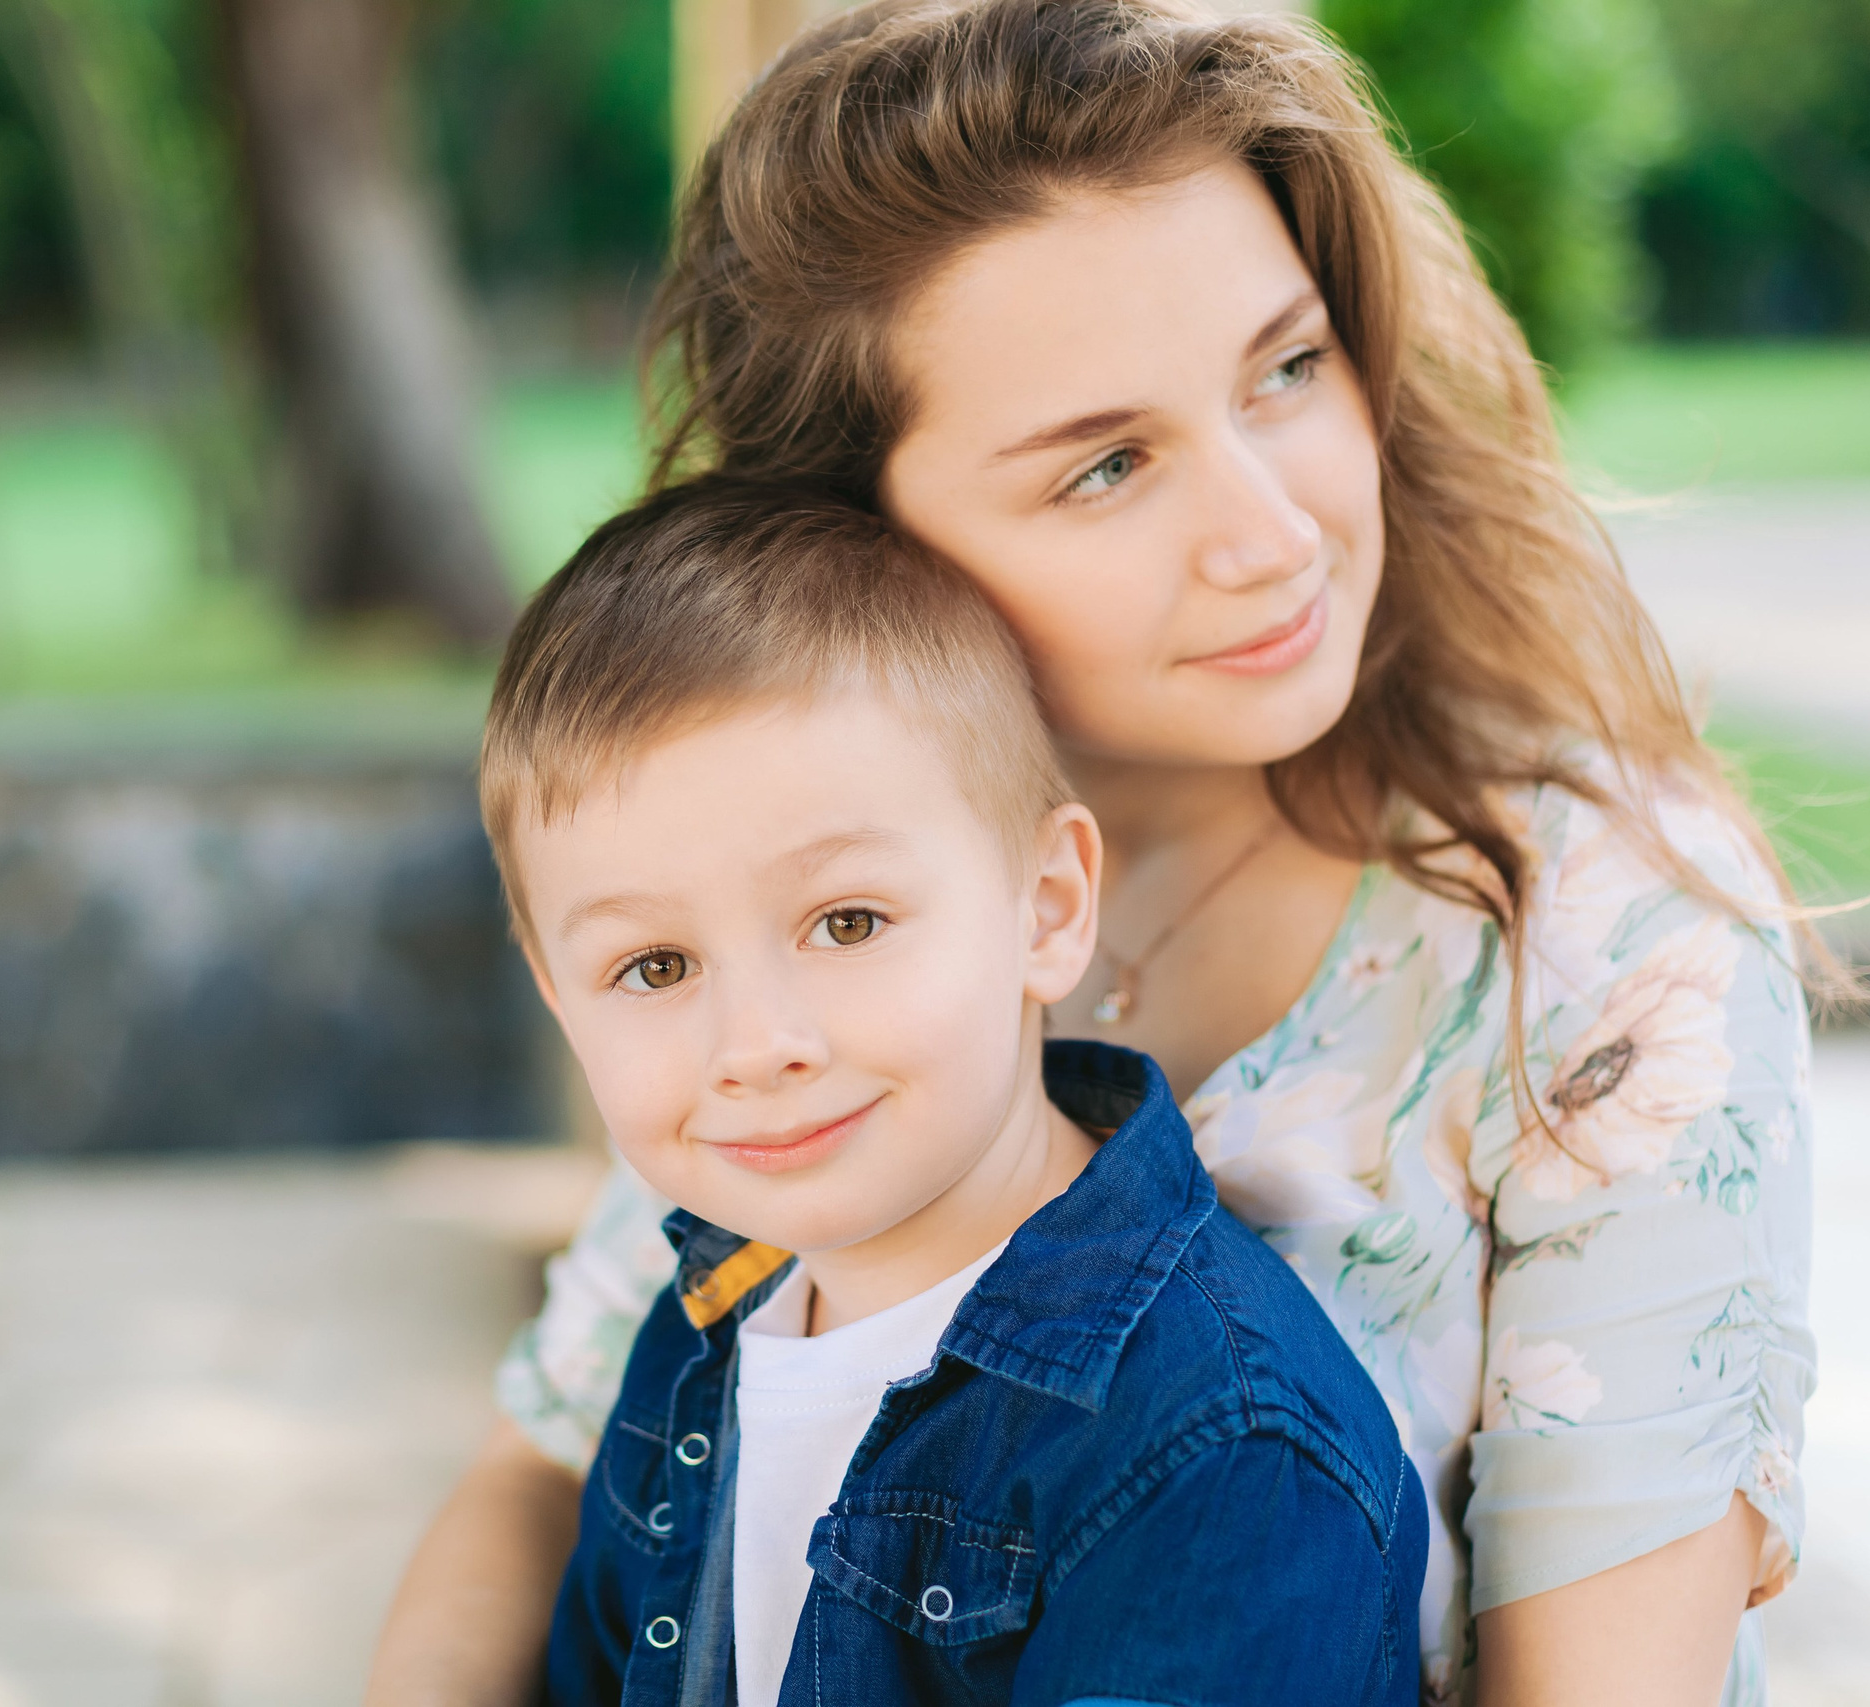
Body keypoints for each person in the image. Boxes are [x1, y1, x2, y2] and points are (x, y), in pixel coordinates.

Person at [369, 2, 1827, 1703]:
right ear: (853, 534)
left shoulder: (1601, 943)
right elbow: (549, 1455)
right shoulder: (795, 907)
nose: (1274, 533)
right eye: (1108, 465)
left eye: (1288, 368)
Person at [483, 481, 1426, 1706]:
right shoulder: (697, 1331)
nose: (758, 1044)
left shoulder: (1207, 1443)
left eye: (847, 920)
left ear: (1045, 908)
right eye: (653, 966)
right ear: (560, 994)